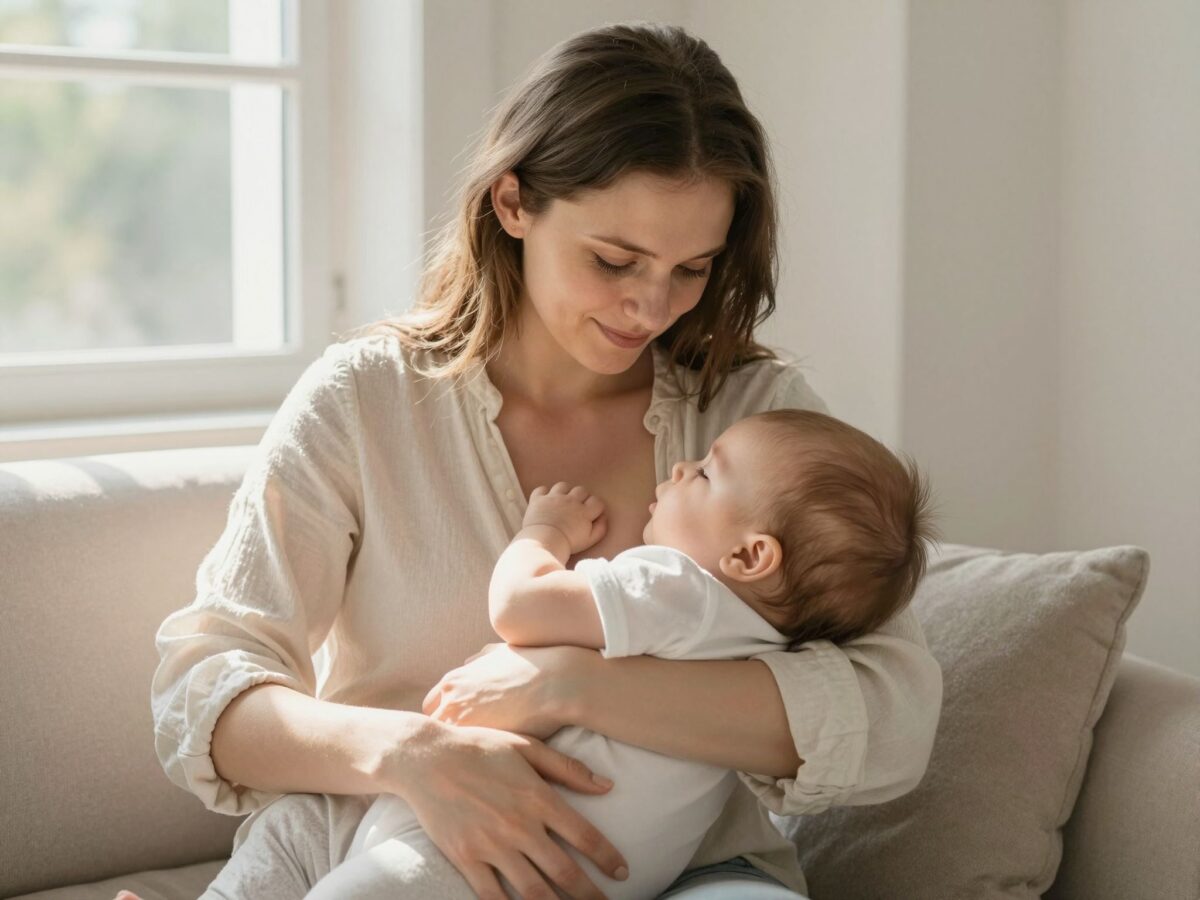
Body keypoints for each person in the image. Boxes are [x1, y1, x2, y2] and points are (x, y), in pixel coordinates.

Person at [149, 21, 942, 900]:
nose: (652, 307)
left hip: (695, 870)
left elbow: (895, 715)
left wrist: (573, 684)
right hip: (417, 856)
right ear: (513, 203)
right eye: (615, 260)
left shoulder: (752, 414)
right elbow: (203, 691)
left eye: (692, 269)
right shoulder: (366, 401)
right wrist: (412, 753)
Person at [340, 409, 935, 900]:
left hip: (498, 850)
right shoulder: (777, 641)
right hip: (612, 876)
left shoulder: (682, 589)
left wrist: (544, 532)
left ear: (750, 557)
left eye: (706, 473)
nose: (681, 467)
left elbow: (519, 605)